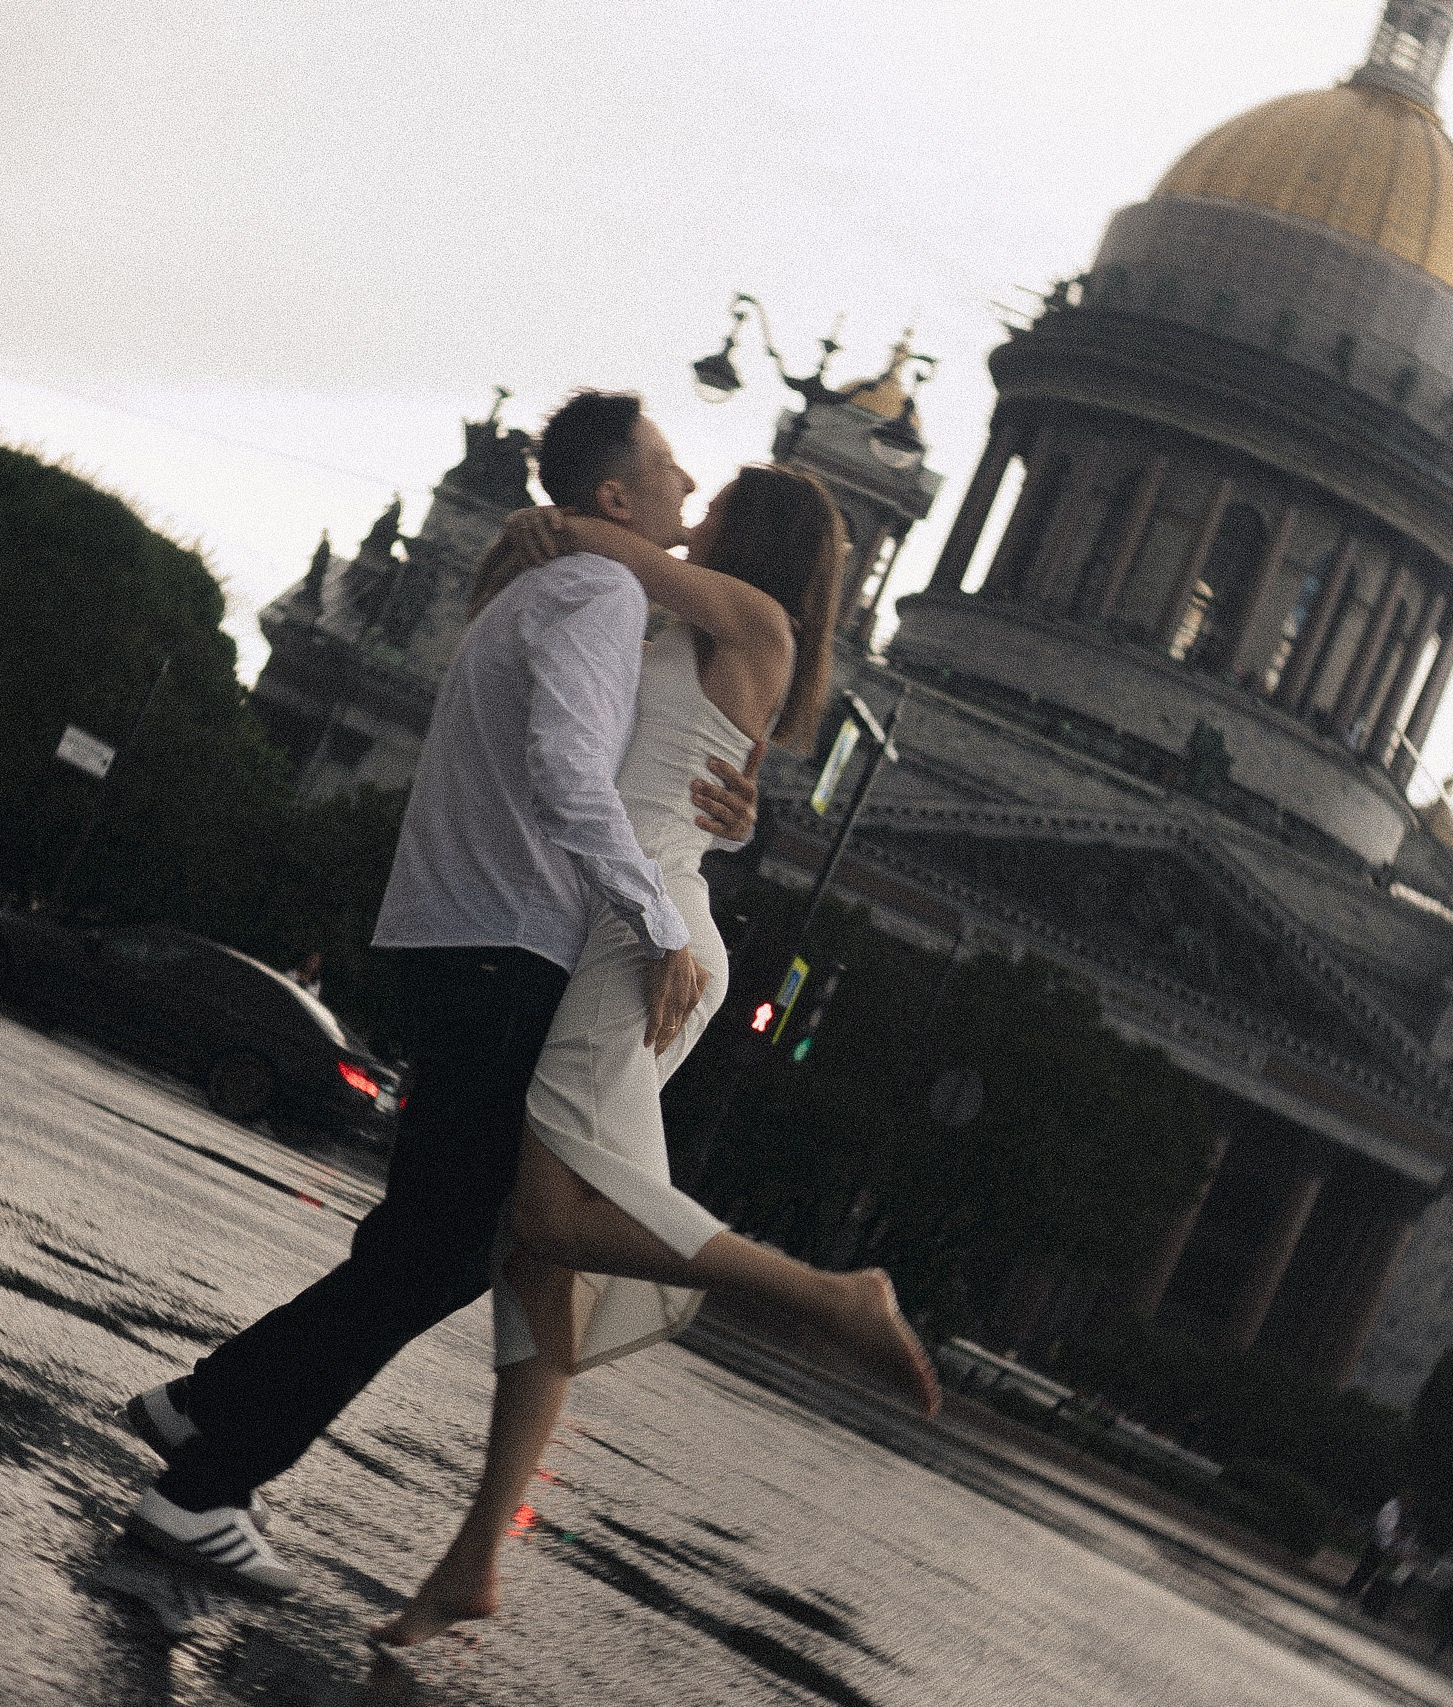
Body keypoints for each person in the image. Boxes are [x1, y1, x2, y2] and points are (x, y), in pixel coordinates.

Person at [114, 390, 761, 1595]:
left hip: (459, 939)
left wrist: (722, 808)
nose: (687, 485)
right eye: (670, 466)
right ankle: (200, 1485)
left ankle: (203, 1415)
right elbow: (572, 776)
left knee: (424, 1239)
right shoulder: (602, 592)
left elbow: (608, 770)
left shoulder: (546, 586)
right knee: (439, 1251)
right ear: (615, 496)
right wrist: (663, 923)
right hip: (502, 952)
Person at [371, 467, 942, 1648]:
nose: (695, 514)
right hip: (638, 925)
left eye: (716, 502)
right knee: (542, 1258)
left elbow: (604, 549)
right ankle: (475, 1557)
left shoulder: (754, 619)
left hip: (642, 940)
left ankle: (829, 1295)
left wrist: (567, 520)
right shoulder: (692, 627)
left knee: (557, 1219)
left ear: (757, 536)